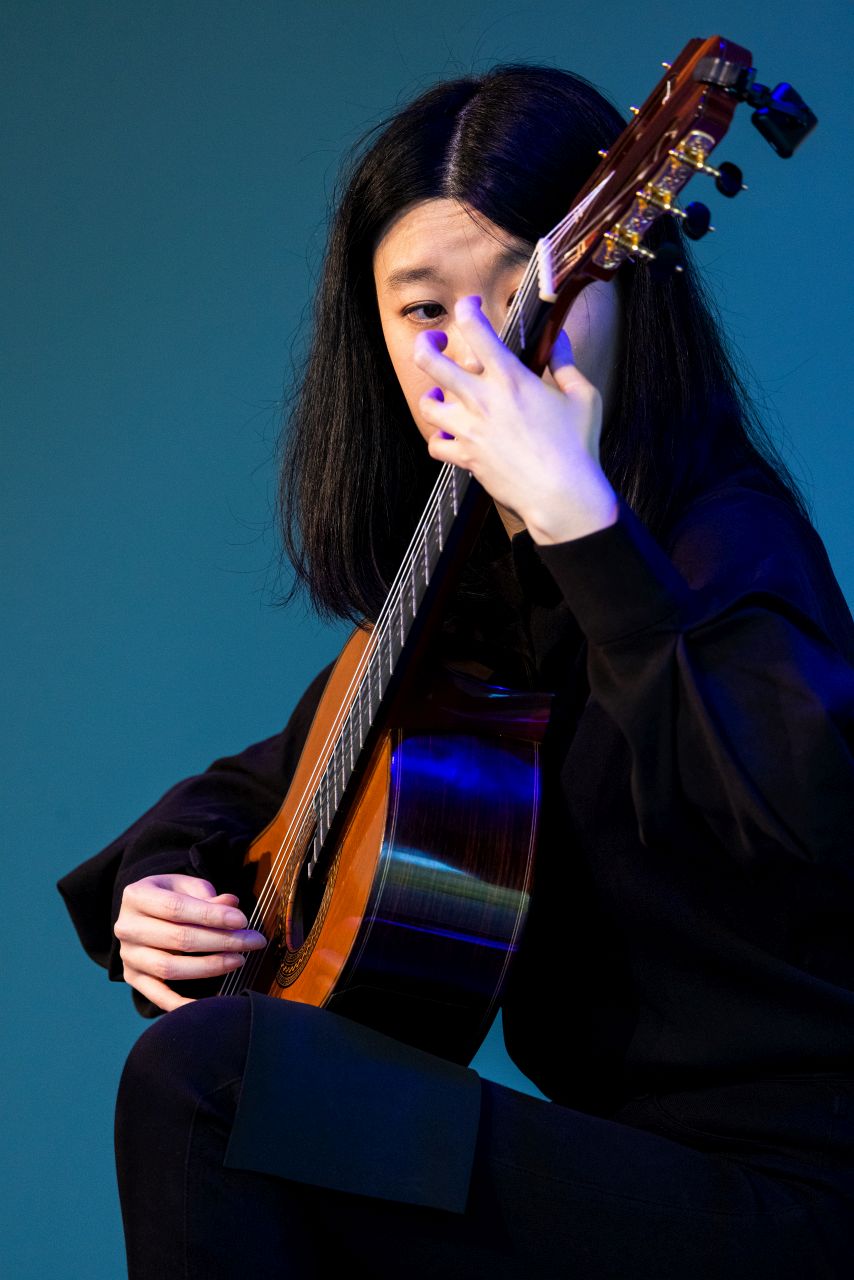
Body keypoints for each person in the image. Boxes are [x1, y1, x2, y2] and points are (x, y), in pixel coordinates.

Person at [58, 64, 854, 1278]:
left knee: (212, 1081)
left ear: (622, 272)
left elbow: (795, 811)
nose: (479, 349)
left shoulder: (725, 537)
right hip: (615, 1178)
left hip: (798, 1200)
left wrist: (580, 522)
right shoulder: (471, 589)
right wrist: (163, 883)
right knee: (243, 1094)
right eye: (424, 311)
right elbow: (266, 782)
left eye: (524, 290)